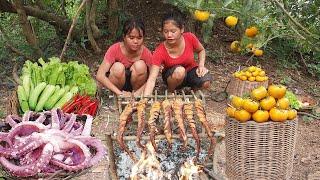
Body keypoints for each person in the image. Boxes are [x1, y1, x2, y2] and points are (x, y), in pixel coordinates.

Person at [143, 12, 212, 96]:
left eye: (173, 31)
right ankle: (170, 91)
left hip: (190, 71)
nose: (169, 35)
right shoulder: (160, 50)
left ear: (182, 29)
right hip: (172, 77)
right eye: (166, 31)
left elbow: (201, 50)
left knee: (206, 82)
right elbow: (152, 78)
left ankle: (194, 90)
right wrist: (145, 98)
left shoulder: (190, 37)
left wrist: (201, 65)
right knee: (180, 71)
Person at [96, 18, 152, 96]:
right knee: (117, 67)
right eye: (131, 38)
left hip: (137, 89)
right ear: (124, 37)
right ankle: (116, 96)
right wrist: (120, 94)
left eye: (139, 38)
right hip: (118, 87)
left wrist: (136, 94)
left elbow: (153, 77)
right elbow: (100, 75)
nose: (135, 42)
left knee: (140, 65)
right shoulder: (114, 49)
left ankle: (137, 97)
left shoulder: (146, 52)